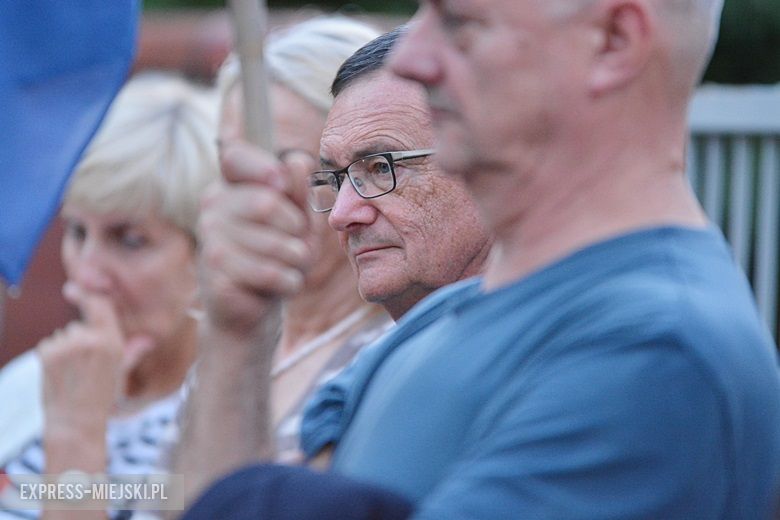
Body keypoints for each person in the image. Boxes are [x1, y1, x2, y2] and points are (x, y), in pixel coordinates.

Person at [188, 0, 780, 516]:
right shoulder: (435, 320)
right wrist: (238, 333)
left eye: (460, 21)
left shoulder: (659, 353)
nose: (412, 58)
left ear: (614, 42)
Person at [174, 25, 491, 509]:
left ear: (493, 156)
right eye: (335, 177)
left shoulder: (570, 344)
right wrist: (235, 336)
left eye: (381, 167)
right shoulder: (372, 374)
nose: (342, 214)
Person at [0, 73, 219, 519]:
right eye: (77, 232)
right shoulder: (34, 378)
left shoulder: (223, 416)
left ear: (207, 251)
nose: (87, 274)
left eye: (130, 240)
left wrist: (77, 430)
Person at [213, 15, 393, 464]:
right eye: (236, 164)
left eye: (290, 165)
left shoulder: (387, 352)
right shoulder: (234, 334)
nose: (256, 193)